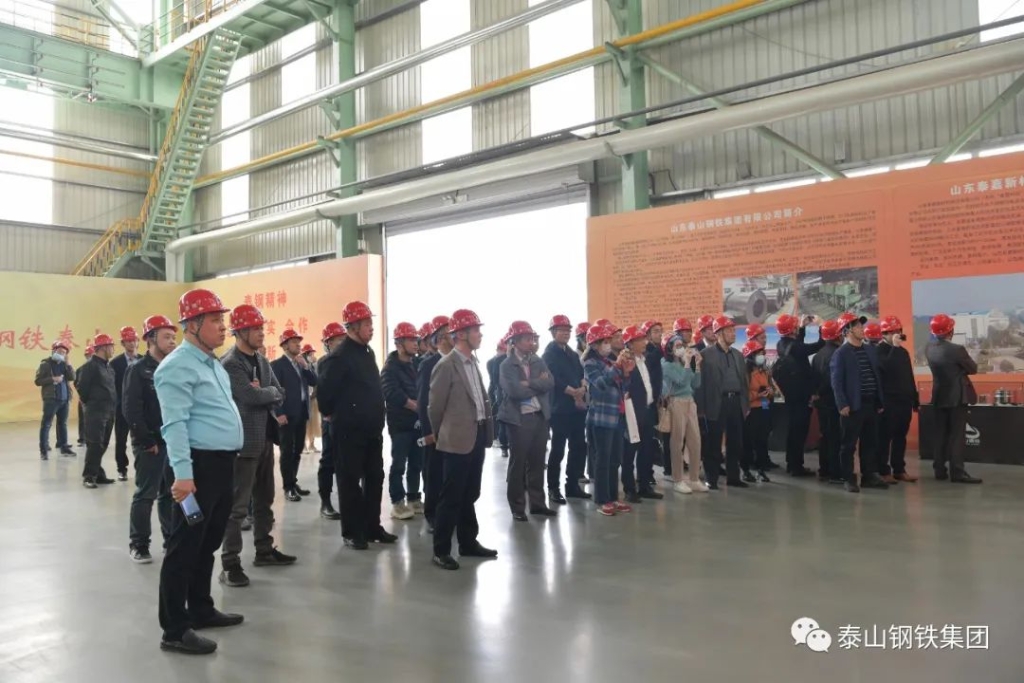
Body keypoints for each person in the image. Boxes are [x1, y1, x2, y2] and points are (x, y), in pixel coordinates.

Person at [154, 289, 244, 655]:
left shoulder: (211, 363)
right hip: (195, 468)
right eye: (215, 320)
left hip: (221, 465)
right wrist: (183, 476)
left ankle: (201, 608)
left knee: (207, 543)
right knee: (184, 547)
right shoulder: (176, 366)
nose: (223, 327)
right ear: (192, 325)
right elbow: (174, 425)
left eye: (223, 320)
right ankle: (175, 629)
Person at [220, 305, 296, 588]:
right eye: (255, 329)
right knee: (238, 508)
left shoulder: (262, 360)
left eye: (262, 328)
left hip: (265, 440)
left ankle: (264, 550)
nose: (262, 333)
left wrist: (264, 392)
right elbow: (249, 396)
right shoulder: (230, 363)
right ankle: (230, 564)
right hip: (242, 444)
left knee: (265, 500)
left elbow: (280, 392)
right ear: (240, 332)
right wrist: (265, 393)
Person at [317, 301, 396, 550]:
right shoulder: (339, 357)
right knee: (349, 481)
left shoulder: (367, 352)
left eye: (371, 323)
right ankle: (352, 532)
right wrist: (336, 414)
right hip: (349, 432)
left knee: (375, 478)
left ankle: (372, 527)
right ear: (352, 326)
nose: (371, 328)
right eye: (367, 324)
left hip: (372, 431)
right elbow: (324, 395)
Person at [428, 309, 499, 570]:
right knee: (451, 497)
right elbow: (435, 408)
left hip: (476, 436)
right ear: (461, 334)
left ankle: (468, 542)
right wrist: (443, 435)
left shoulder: (473, 363)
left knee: (470, 493)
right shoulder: (446, 365)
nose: (480, 334)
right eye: (476, 330)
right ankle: (441, 550)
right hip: (456, 440)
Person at [124, 315, 178, 564]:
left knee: (170, 493)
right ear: (151, 338)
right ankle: (139, 544)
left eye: (174, 337)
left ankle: (171, 540)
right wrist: (146, 441)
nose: (172, 341)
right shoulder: (138, 370)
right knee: (146, 494)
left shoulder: (173, 368)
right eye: (167, 337)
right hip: (151, 443)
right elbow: (131, 409)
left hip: (172, 441)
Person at [500, 321, 555, 521]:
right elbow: (514, 391)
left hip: (539, 416)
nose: (531, 342)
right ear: (514, 341)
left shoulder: (537, 361)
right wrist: (538, 385)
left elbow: (550, 382)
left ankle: (538, 504)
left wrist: (529, 383)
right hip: (519, 419)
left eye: (532, 338)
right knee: (518, 463)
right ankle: (517, 507)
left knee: (537, 462)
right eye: (526, 339)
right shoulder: (506, 365)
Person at [829, 312, 888, 493]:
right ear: (847, 331)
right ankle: (848, 478)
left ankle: (869, 475)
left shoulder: (870, 350)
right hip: (853, 406)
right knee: (848, 445)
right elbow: (836, 382)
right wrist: (842, 404)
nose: (862, 329)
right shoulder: (840, 354)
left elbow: (876, 376)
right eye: (857, 326)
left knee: (870, 442)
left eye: (861, 325)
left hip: (871, 404)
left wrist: (879, 401)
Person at [582, 322, 634, 516]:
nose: (608, 345)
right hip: (601, 418)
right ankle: (602, 499)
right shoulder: (590, 363)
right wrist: (618, 367)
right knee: (602, 460)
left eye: (608, 341)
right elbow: (601, 384)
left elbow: (623, 386)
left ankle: (613, 497)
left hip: (617, 416)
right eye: (604, 341)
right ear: (594, 344)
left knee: (615, 460)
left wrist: (626, 372)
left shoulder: (610, 361)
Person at [925, 314, 982, 484]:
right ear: (951, 330)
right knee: (956, 435)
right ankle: (957, 472)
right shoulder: (957, 350)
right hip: (957, 397)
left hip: (939, 395)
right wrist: (961, 369)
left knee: (940, 434)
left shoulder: (929, 348)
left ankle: (939, 470)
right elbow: (973, 369)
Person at [695, 316, 749, 490]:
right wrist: (701, 408)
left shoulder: (738, 355)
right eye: (729, 331)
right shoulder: (705, 355)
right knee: (713, 443)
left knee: (735, 442)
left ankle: (733, 477)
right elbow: (700, 384)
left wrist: (745, 405)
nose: (733, 334)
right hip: (716, 403)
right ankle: (711, 478)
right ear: (718, 334)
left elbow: (744, 382)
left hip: (736, 403)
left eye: (733, 330)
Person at [542, 315, 590, 502]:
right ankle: (553, 488)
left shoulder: (571, 353)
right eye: (562, 330)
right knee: (558, 449)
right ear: (553, 332)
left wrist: (583, 387)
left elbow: (581, 373)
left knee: (578, 446)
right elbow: (552, 378)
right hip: (559, 409)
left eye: (568, 330)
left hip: (576, 407)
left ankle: (572, 485)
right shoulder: (549, 354)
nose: (566, 333)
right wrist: (572, 392)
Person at [381, 322, 425, 521]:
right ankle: (397, 502)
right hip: (400, 424)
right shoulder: (390, 368)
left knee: (417, 462)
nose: (416, 343)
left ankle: (414, 497)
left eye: (416, 339)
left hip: (418, 422)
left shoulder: (417, 364)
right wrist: (414, 405)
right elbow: (391, 392)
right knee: (399, 463)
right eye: (411, 340)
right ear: (399, 343)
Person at [774, 313, 825, 477]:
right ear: (792, 329)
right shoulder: (796, 348)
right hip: (801, 398)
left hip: (791, 396)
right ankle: (796, 467)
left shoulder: (781, 345)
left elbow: (797, 345)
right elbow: (821, 344)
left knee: (793, 431)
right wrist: (821, 325)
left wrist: (802, 328)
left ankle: (792, 464)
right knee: (799, 432)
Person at [271, 328, 318, 502]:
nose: (298, 344)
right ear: (284, 346)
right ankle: (288, 487)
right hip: (287, 415)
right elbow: (274, 391)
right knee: (287, 452)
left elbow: (314, 381)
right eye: (293, 342)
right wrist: (279, 412)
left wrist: (306, 367)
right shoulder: (277, 365)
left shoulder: (301, 364)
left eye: (298, 341)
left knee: (297, 450)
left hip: (301, 413)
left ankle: (293, 481)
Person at [620, 324, 663, 503]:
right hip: (632, 412)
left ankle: (644, 486)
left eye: (644, 339)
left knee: (646, 450)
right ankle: (630, 489)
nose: (644, 343)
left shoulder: (644, 360)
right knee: (629, 453)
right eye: (639, 340)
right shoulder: (625, 361)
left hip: (648, 410)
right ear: (630, 343)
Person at [417, 315, 453, 530]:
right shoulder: (428, 364)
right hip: (435, 432)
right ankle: (432, 514)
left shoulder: (457, 361)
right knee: (434, 473)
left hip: (453, 429)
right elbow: (424, 401)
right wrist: (428, 432)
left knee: (450, 475)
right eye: (450, 332)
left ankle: (448, 512)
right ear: (439, 338)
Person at [660, 332, 706, 493]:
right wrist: (687, 363)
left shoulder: (682, 363)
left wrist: (697, 365)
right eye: (678, 346)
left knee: (695, 440)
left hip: (690, 402)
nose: (682, 348)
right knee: (677, 442)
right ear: (669, 349)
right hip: (676, 403)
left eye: (682, 345)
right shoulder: (666, 365)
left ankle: (694, 478)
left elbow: (695, 384)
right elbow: (680, 382)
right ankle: (678, 479)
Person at [876, 316, 919, 484]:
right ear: (884, 334)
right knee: (885, 437)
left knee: (901, 436)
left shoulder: (903, 352)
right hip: (888, 401)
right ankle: (883, 470)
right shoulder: (879, 351)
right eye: (893, 332)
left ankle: (899, 469)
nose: (897, 334)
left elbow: (908, 376)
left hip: (904, 400)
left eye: (898, 331)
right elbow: (886, 367)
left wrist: (914, 398)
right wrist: (894, 347)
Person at [78, 333, 117, 489]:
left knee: (103, 443)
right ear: (103, 348)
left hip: (109, 410)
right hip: (95, 411)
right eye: (111, 346)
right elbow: (82, 388)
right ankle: (89, 476)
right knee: (95, 444)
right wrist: (92, 403)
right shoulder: (90, 366)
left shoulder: (108, 366)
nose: (113, 349)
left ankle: (98, 474)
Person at [316, 322, 346, 520]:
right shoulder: (324, 362)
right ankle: (325, 502)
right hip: (331, 419)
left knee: (348, 462)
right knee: (328, 460)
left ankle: (349, 502)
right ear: (328, 343)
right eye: (338, 340)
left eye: (344, 340)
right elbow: (324, 392)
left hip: (349, 421)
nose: (342, 343)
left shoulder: (352, 360)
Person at [811, 320, 843, 484]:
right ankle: (835, 472)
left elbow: (815, 379)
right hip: (833, 402)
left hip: (822, 402)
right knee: (835, 438)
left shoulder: (818, 355)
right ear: (838, 336)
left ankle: (824, 469)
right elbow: (831, 380)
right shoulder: (838, 354)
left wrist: (817, 394)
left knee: (825, 436)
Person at [35, 340, 76, 460]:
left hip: (64, 399)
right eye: (59, 351)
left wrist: (69, 364)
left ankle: (64, 447)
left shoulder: (64, 364)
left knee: (62, 424)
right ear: (53, 351)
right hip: (51, 399)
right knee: (46, 424)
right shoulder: (45, 364)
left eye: (64, 352)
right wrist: (52, 379)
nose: (61, 354)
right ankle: (44, 450)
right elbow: (38, 381)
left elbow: (72, 377)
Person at [111, 326, 142, 481]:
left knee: (141, 439)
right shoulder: (115, 363)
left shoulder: (143, 361)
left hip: (141, 408)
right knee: (121, 440)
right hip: (121, 407)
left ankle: (141, 468)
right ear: (123, 343)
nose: (131, 343)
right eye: (128, 341)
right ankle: (122, 469)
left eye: (134, 340)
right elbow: (111, 386)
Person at [741, 340, 772, 483]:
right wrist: (757, 395)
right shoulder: (745, 373)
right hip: (750, 411)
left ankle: (761, 470)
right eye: (759, 353)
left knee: (762, 441)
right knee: (748, 442)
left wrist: (769, 394)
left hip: (763, 409)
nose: (762, 356)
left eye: (762, 353)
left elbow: (768, 390)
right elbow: (743, 394)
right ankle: (746, 470)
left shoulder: (764, 371)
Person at [486, 335, 511, 458]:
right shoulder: (496, 361)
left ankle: (504, 446)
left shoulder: (497, 361)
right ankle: (504, 446)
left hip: (501, 393)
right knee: (502, 421)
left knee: (503, 421)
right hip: (501, 394)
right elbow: (495, 380)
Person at [302, 344, 321, 453]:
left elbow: (317, 380)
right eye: (310, 354)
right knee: (305, 423)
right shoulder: (300, 366)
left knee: (314, 422)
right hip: (304, 399)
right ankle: (303, 445)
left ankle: (312, 444)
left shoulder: (314, 366)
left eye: (313, 354)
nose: (312, 356)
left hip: (313, 398)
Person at [77, 344, 94, 446]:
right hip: (84, 398)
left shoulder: (102, 368)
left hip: (96, 399)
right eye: (87, 355)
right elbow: (77, 383)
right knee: (83, 420)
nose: (89, 357)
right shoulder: (81, 369)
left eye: (91, 355)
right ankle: (82, 439)